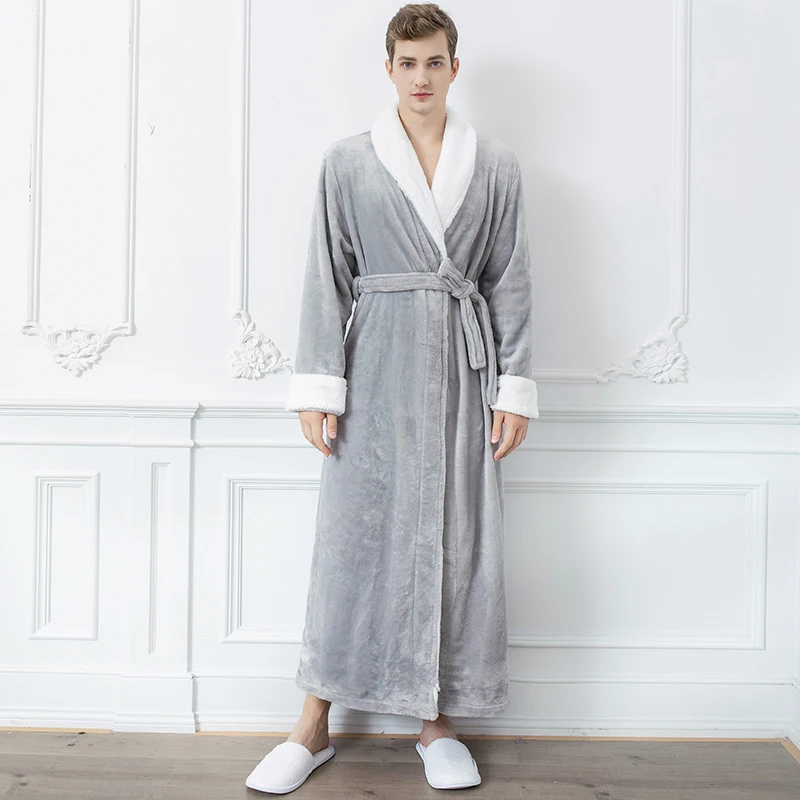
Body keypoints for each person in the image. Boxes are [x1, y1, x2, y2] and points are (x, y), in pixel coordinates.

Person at [245, 2, 539, 793]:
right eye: (408, 63)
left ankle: (436, 723)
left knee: (456, 540)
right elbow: (325, 276)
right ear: (389, 69)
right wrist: (319, 385)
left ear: (454, 67)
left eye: (435, 61)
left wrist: (513, 388)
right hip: (373, 368)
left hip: (465, 376)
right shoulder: (347, 163)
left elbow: (509, 282)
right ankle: (313, 723)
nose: (421, 77)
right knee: (353, 542)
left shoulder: (496, 166)